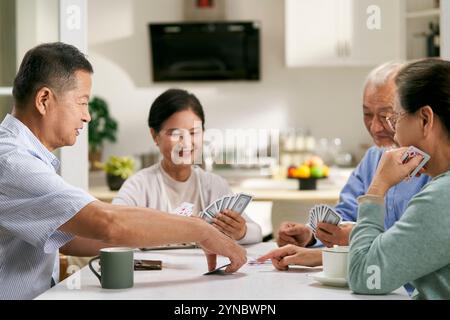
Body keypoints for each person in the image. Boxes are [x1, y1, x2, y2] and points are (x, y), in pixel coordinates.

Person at [0, 42, 246, 300]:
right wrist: (200, 230)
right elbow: (107, 222)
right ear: (44, 100)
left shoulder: (27, 156)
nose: (88, 117)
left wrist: (153, 234)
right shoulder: (12, 161)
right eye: (82, 103)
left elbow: (70, 238)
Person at [259, 61, 431, 268]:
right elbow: (345, 216)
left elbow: (420, 242)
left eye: (387, 115)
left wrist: (354, 237)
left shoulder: (434, 165)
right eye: (367, 114)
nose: (375, 127)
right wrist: (312, 236)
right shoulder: (372, 158)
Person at [348, 58, 450, 299]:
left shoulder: (442, 197)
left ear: (425, 119)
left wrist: (377, 187)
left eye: (395, 119)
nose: (392, 132)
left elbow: (365, 276)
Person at [112, 89, 262, 244]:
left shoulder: (213, 184)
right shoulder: (139, 185)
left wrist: (241, 231)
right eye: (175, 133)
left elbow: (256, 232)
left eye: (193, 132)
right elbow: (113, 225)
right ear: (155, 136)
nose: (186, 143)